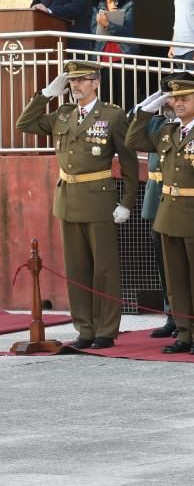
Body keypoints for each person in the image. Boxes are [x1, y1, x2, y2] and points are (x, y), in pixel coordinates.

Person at [16, 60, 138, 349]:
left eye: (82, 80)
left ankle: (106, 330)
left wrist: (127, 202)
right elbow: (25, 123)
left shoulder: (112, 115)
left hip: (99, 199)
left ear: (96, 82)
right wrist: (46, 93)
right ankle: (85, 327)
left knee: (104, 269)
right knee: (77, 269)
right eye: (72, 81)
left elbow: (130, 163)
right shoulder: (62, 114)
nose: (75, 86)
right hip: (68, 199)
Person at [126, 78, 194, 356]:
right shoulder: (166, 130)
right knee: (175, 280)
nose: (179, 102)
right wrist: (150, 108)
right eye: (176, 98)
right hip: (168, 213)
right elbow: (132, 139)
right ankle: (183, 332)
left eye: (186, 98)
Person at [130, 71, 194, 340]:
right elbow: (130, 128)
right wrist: (153, 103)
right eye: (171, 96)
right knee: (165, 264)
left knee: (189, 264)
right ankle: (172, 315)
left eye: (179, 95)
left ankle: (191, 315)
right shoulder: (157, 122)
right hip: (157, 197)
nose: (174, 101)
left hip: (184, 198)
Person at [90, 0, 137, 110]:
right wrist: (107, 25)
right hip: (103, 58)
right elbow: (93, 31)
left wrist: (108, 25)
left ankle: (124, 129)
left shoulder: (127, 5)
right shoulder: (95, 7)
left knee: (125, 98)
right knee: (106, 98)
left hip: (124, 55)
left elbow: (127, 30)